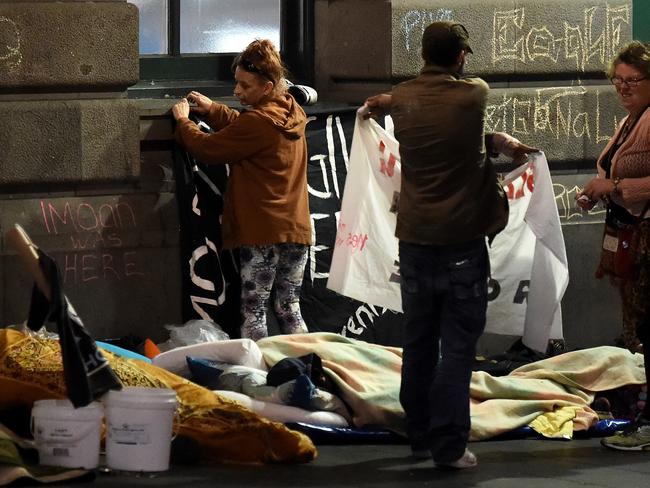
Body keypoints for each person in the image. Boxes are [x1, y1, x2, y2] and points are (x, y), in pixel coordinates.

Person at [364, 21, 537, 469]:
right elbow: (460, 134)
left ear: (422, 54)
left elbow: (422, 118)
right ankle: (450, 446)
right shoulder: (474, 93)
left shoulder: (402, 100)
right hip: (462, 244)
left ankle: (419, 435)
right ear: (460, 56)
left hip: (416, 242)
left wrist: (382, 100)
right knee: (458, 348)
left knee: (419, 341)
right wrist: (497, 141)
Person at [172, 39, 312, 342]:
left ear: (267, 86)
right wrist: (213, 110)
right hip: (296, 228)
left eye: (244, 85)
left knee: (255, 309)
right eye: (237, 83)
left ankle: (259, 377)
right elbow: (246, 128)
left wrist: (184, 123)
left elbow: (208, 148)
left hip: (262, 230)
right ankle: (308, 366)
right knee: (289, 307)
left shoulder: (258, 123)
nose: (237, 91)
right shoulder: (291, 110)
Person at [576, 41, 650, 451]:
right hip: (632, 237)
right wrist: (599, 191)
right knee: (642, 329)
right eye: (617, 80)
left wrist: (616, 186)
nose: (622, 88)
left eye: (632, 80)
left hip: (647, 242)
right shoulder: (632, 119)